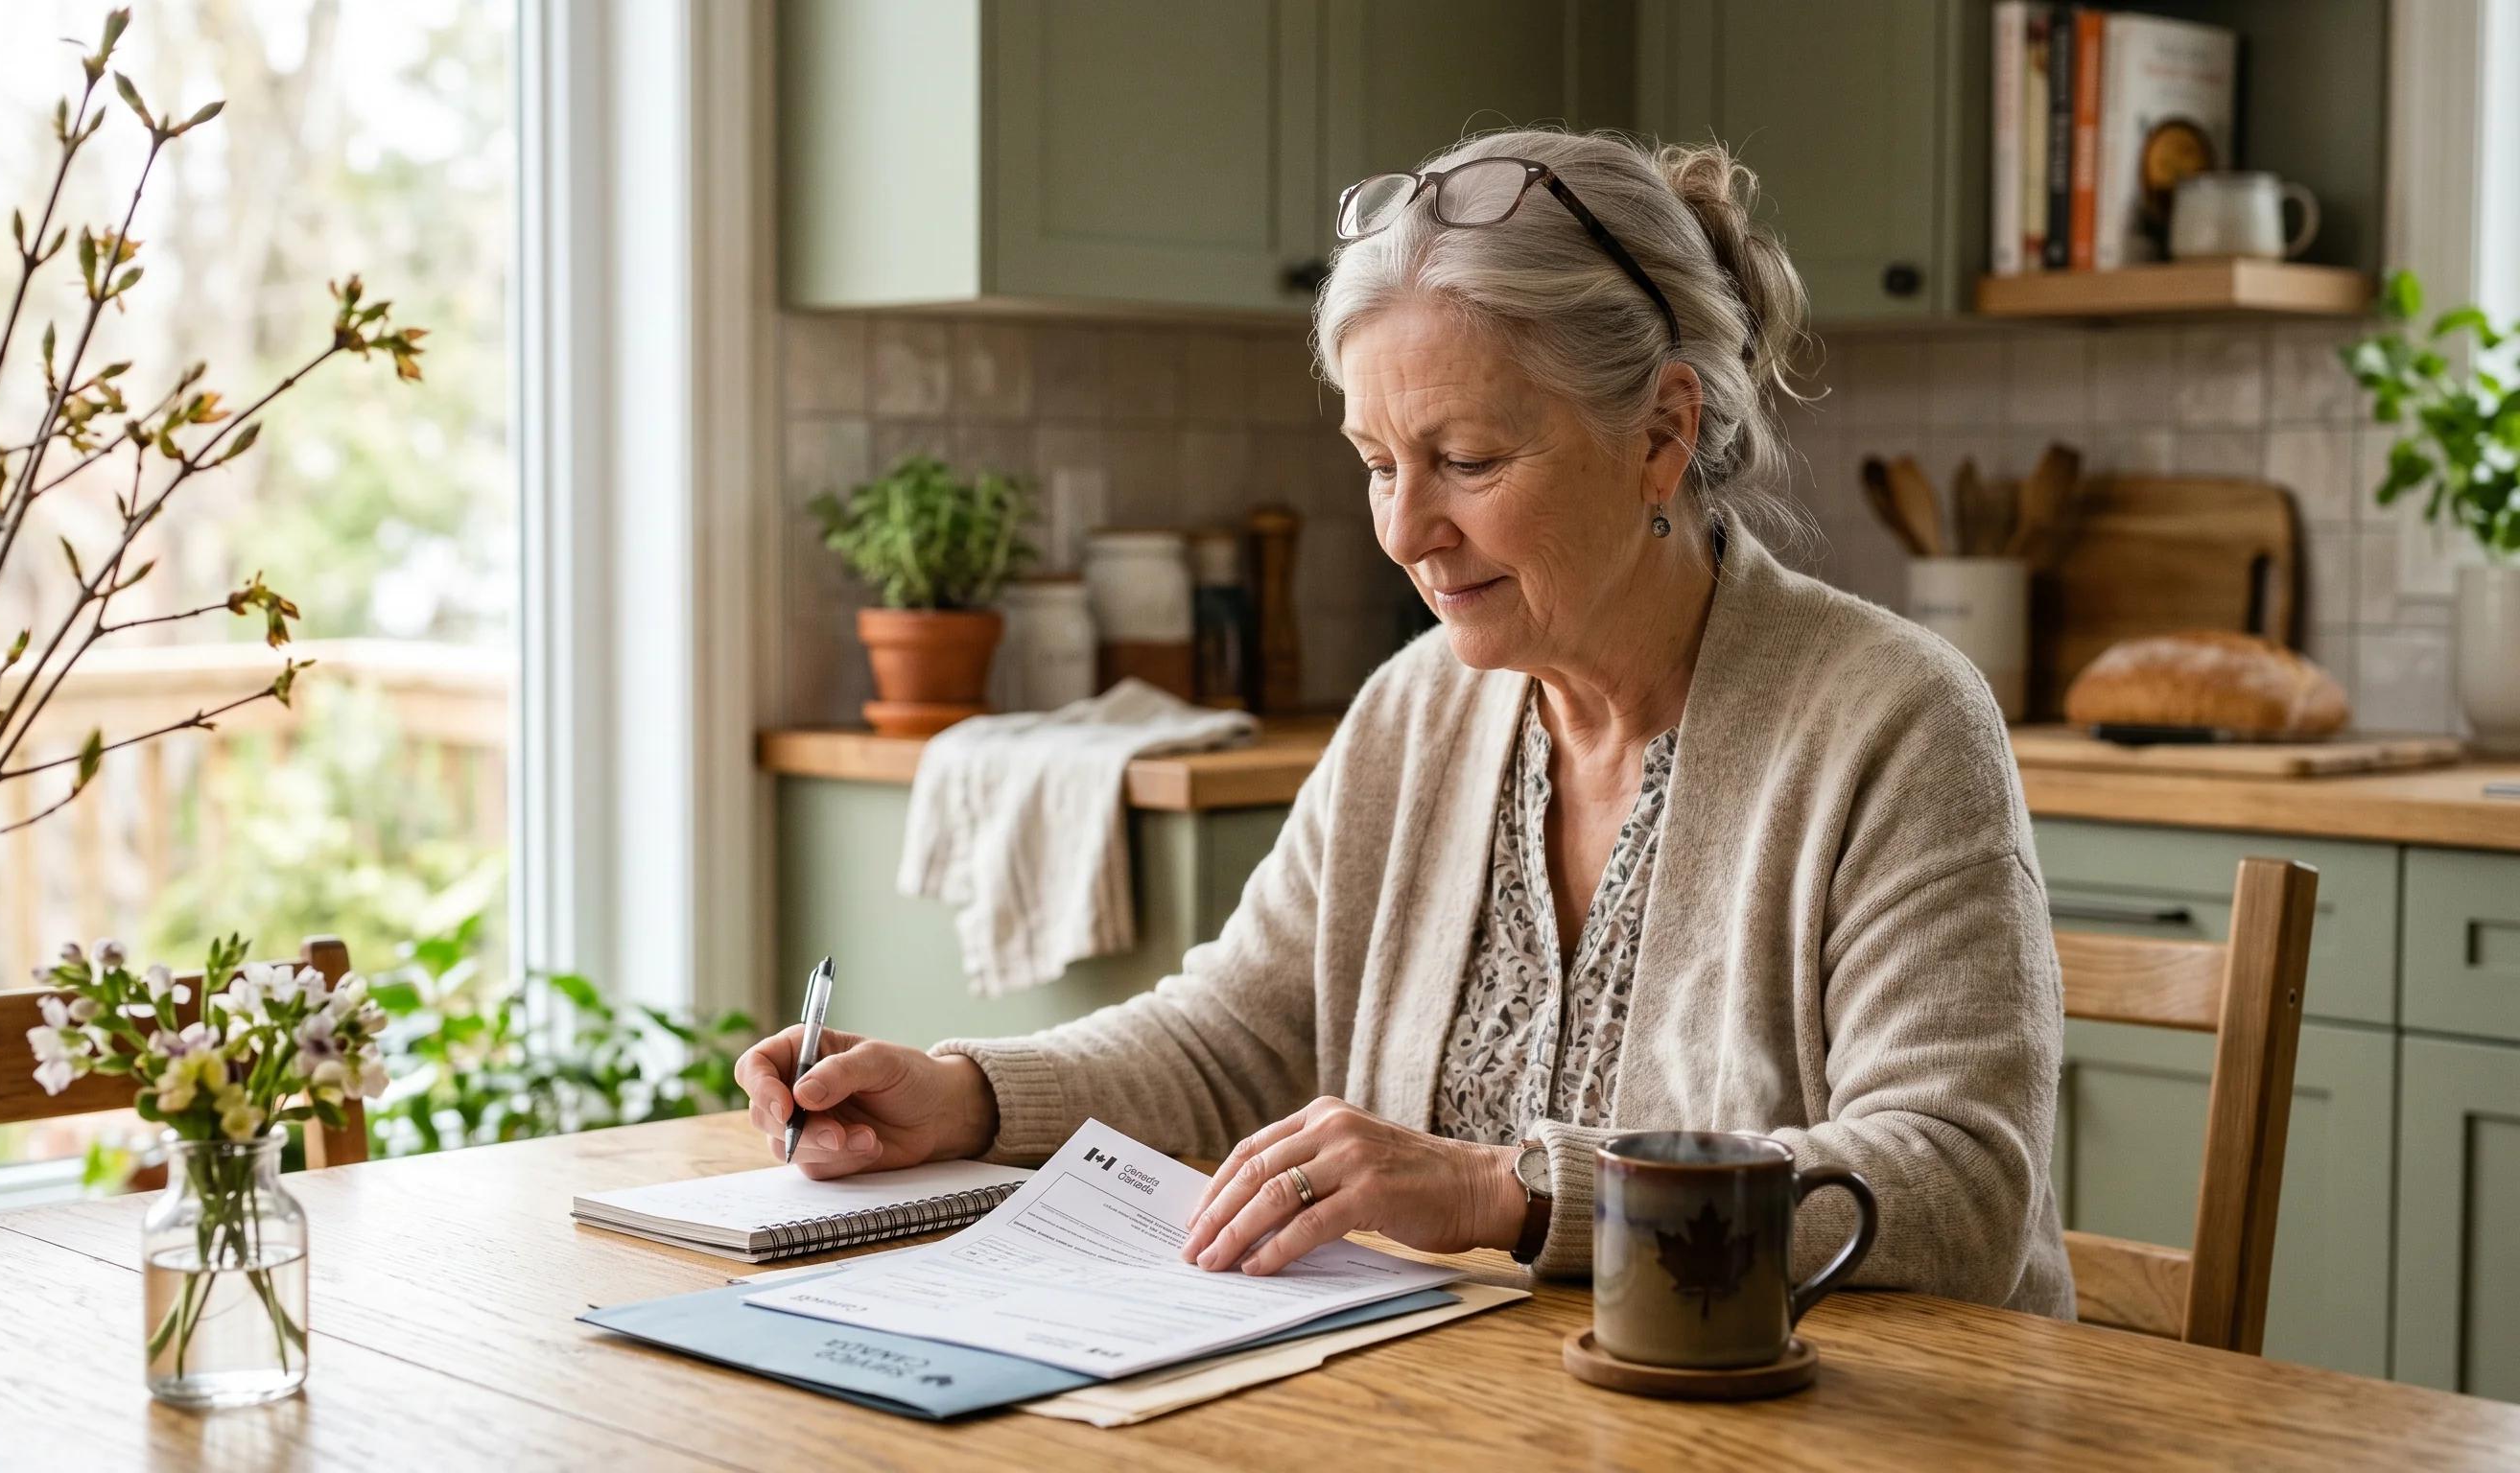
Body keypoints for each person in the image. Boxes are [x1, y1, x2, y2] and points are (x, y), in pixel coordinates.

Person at [737, 129, 2073, 1316]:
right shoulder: (1417, 709)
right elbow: (1235, 1042)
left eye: (1470, 461)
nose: (1404, 530)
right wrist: (968, 1096)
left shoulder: (1893, 719)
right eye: (1379, 463)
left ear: (1664, 430)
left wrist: (1508, 1193)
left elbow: (1955, 1187)